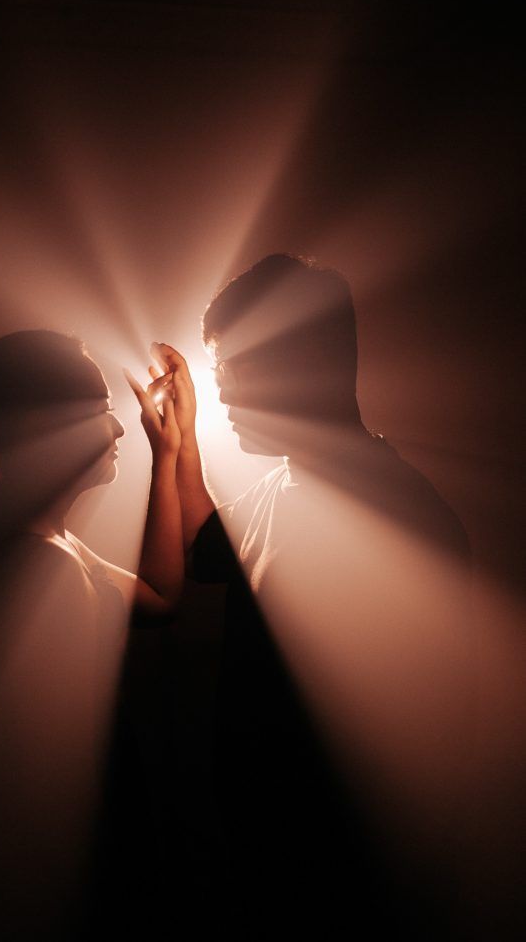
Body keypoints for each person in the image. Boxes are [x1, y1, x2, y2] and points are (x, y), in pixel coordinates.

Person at [145, 254, 473, 939]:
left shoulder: (397, 518)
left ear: (309, 362)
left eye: (239, 368)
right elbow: (208, 550)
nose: (224, 393)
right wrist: (179, 443)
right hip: (275, 862)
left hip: (340, 879)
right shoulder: (281, 491)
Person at [0, 329, 182, 939]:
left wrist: (168, 456)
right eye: (101, 414)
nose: (119, 430)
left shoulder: (53, 547)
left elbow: (162, 599)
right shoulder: (46, 570)